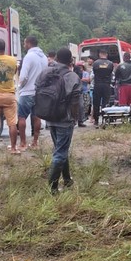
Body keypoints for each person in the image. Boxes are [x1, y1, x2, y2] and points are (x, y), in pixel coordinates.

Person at [39, 47, 81, 194]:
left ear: (56, 58)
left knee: (61, 149)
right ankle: (52, 188)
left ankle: (67, 179)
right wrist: (75, 118)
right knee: (60, 153)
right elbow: (76, 101)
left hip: (50, 117)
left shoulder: (45, 72)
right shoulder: (72, 76)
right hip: (65, 119)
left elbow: (38, 88)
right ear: (70, 61)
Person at [17, 36, 47, 150]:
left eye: (24, 43)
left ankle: (23, 143)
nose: (24, 45)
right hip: (39, 92)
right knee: (37, 117)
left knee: (21, 117)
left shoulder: (29, 56)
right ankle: (35, 142)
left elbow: (23, 76)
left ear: (29, 43)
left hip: (27, 92)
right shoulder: (44, 57)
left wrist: (20, 86)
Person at [90, 49, 114, 124]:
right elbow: (111, 73)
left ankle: (96, 120)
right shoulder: (110, 63)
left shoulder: (95, 63)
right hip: (106, 85)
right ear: (106, 54)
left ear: (100, 54)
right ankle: (105, 118)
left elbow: (94, 73)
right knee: (105, 102)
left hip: (97, 85)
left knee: (96, 103)